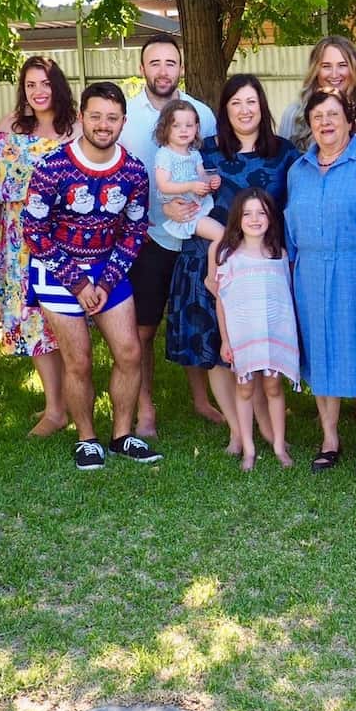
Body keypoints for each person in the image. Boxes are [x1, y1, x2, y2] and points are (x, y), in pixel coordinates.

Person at [22, 81, 159, 470]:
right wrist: (78, 283)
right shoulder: (52, 167)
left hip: (107, 269)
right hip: (58, 271)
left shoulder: (132, 170)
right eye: (96, 116)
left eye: (112, 118)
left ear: (123, 122)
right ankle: (86, 439)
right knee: (78, 361)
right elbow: (34, 229)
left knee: (130, 352)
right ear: (81, 117)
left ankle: (122, 435)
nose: (103, 124)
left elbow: (135, 230)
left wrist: (107, 280)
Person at [166, 74, 298, 455]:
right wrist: (176, 208)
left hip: (260, 267)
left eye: (251, 102)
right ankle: (238, 434)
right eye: (236, 102)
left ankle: (270, 432)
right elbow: (175, 200)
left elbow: (292, 209)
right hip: (211, 260)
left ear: (263, 107)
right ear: (224, 110)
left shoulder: (284, 154)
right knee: (220, 351)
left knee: (258, 346)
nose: (245, 110)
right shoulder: (203, 153)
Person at [285, 90, 356, 474]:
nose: (325, 122)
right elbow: (289, 234)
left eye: (333, 114)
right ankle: (329, 438)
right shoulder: (297, 170)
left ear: (350, 121)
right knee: (321, 353)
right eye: (317, 116)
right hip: (311, 276)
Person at [118, 33, 222, 436]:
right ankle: (145, 408)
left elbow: (206, 165)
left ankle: (200, 399)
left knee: (195, 313)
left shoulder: (202, 113)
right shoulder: (127, 114)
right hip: (148, 236)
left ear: (181, 68)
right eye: (154, 63)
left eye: (170, 63)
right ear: (142, 68)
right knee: (143, 327)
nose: (163, 71)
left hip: (194, 233)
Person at [0, 56, 78, 437]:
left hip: (60, 238)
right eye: (31, 85)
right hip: (14, 239)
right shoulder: (9, 126)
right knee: (29, 318)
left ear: (59, 86)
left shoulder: (74, 130)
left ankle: (69, 402)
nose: (39, 92)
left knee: (60, 320)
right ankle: (55, 408)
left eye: (46, 83)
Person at [212, 188, 297, 471]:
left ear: (271, 218)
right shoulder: (229, 258)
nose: (255, 219)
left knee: (273, 386)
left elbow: (284, 299)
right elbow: (223, 303)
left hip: (274, 336)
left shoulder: (279, 255)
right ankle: (248, 448)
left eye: (261, 213)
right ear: (238, 219)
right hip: (242, 337)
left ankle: (278, 445)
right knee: (245, 388)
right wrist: (225, 340)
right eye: (247, 214)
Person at [278, 36, 356, 151]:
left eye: (342, 65)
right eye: (326, 66)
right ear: (315, 71)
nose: (334, 74)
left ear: (354, 69)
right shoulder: (294, 114)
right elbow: (282, 163)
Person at [151, 100, 224, 242]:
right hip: (184, 212)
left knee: (223, 234)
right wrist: (191, 185)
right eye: (176, 126)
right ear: (165, 128)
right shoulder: (165, 154)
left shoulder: (194, 153)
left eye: (189, 125)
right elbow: (163, 186)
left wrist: (212, 180)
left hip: (198, 205)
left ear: (196, 127)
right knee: (220, 235)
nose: (183, 130)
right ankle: (216, 265)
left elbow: (202, 175)